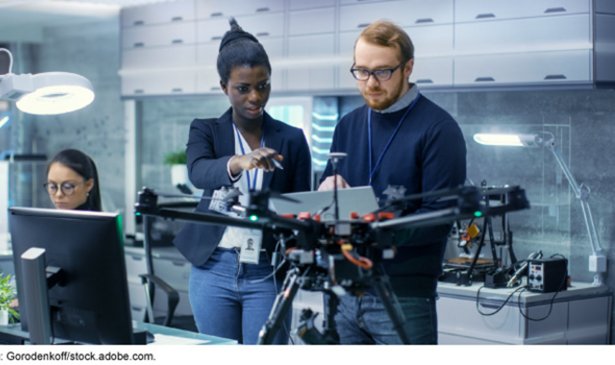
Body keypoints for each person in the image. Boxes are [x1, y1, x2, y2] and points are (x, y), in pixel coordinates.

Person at [318, 20, 467, 344]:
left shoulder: (438, 129)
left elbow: (440, 219)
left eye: (383, 72)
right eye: (361, 71)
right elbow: (328, 193)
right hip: (344, 292)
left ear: (408, 68)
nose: (370, 83)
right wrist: (325, 191)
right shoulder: (347, 125)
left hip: (404, 296)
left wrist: (374, 226)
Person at [172, 18, 312, 345]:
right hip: (213, 268)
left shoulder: (291, 139)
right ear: (224, 87)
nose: (255, 97)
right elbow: (199, 172)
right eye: (243, 88)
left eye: (263, 85)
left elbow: (301, 208)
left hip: (266, 268)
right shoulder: (205, 130)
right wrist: (239, 161)